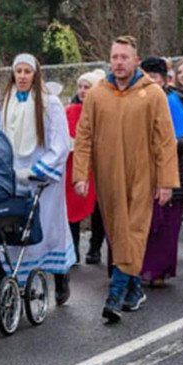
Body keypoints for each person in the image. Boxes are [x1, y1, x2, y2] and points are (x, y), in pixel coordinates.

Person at [72, 36, 179, 324]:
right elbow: (83, 136)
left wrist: (166, 181)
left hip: (143, 174)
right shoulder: (97, 94)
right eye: (115, 57)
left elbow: (165, 140)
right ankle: (134, 291)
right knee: (118, 232)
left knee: (134, 229)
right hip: (109, 175)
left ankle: (116, 295)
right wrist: (81, 174)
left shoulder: (153, 93)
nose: (119, 62)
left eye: (124, 57)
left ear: (135, 60)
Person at [0, 54, 76, 303]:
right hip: (11, 177)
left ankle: (60, 275)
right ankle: (16, 278)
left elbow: (60, 143)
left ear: (36, 74)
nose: (23, 76)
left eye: (28, 71)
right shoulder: (2, 104)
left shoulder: (49, 104)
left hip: (41, 178)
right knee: (14, 228)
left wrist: (41, 169)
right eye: (19, 71)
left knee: (48, 227)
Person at [139, 56, 183, 286]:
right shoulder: (134, 99)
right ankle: (140, 268)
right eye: (145, 76)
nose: (150, 81)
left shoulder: (175, 99)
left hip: (172, 171)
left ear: (163, 79)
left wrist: (172, 144)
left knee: (166, 227)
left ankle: (160, 271)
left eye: (154, 77)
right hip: (142, 172)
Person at [66, 70, 107, 265]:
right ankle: (73, 248)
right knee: (72, 208)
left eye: (87, 87)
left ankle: (95, 247)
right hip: (75, 165)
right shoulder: (70, 111)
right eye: (80, 87)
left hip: (98, 165)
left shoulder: (103, 110)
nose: (82, 91)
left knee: (99, 209)